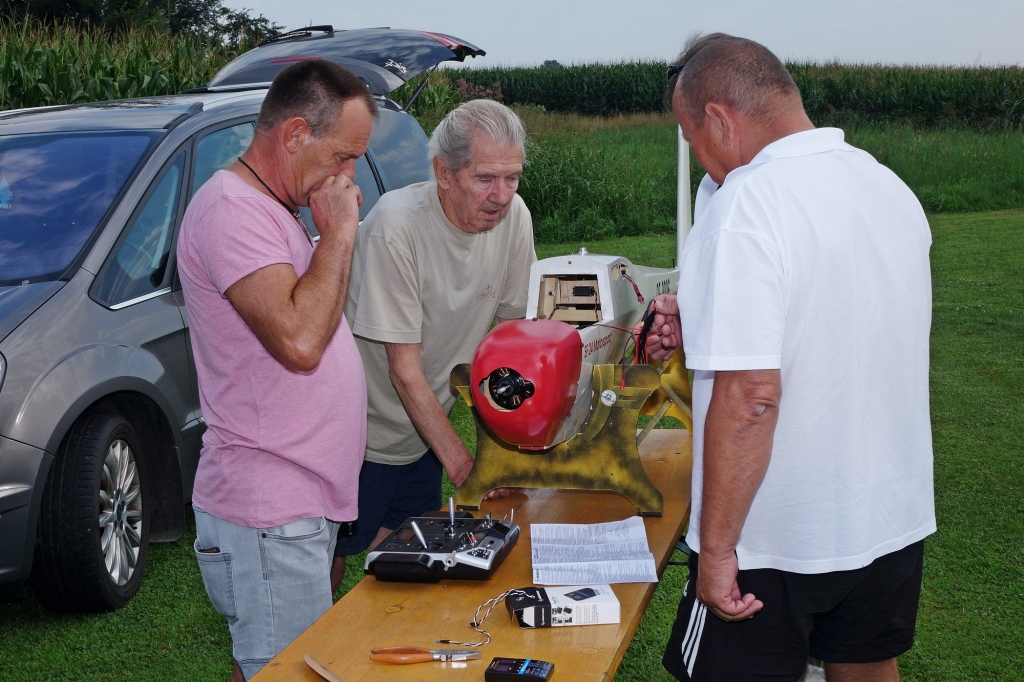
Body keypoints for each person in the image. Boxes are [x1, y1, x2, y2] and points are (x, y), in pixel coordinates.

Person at [647, 34, 936, 681]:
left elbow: (752, 394)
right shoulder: (887, 186)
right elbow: (837, 321)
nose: (701, 160)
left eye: (693, 138)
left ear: (718, 119)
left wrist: (718, 550)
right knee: (866, 668)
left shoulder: (746, 203)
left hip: (776, 533)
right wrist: (705, 320)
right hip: (886, 517)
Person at [177, 60, 376, 681]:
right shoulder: (231, 211)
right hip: (268, 507)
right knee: (289, 674)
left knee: (270, 669)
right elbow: (299, 340)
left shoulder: (270, 208)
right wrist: (338, 233)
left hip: (293, 504)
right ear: (294, 134)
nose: (348, 176)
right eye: (343, 156)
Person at [330, 99, 536, 589]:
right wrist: (465, 465)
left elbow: (511, 345)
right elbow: (403, 370)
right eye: (485, 178)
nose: (502, 195)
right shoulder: (397, 225)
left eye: (512, 177)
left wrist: (503, 453)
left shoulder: (514, 218)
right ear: (443, 172)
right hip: (358, 434)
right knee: (327, 562)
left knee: (401, 567)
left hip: (425, 430)